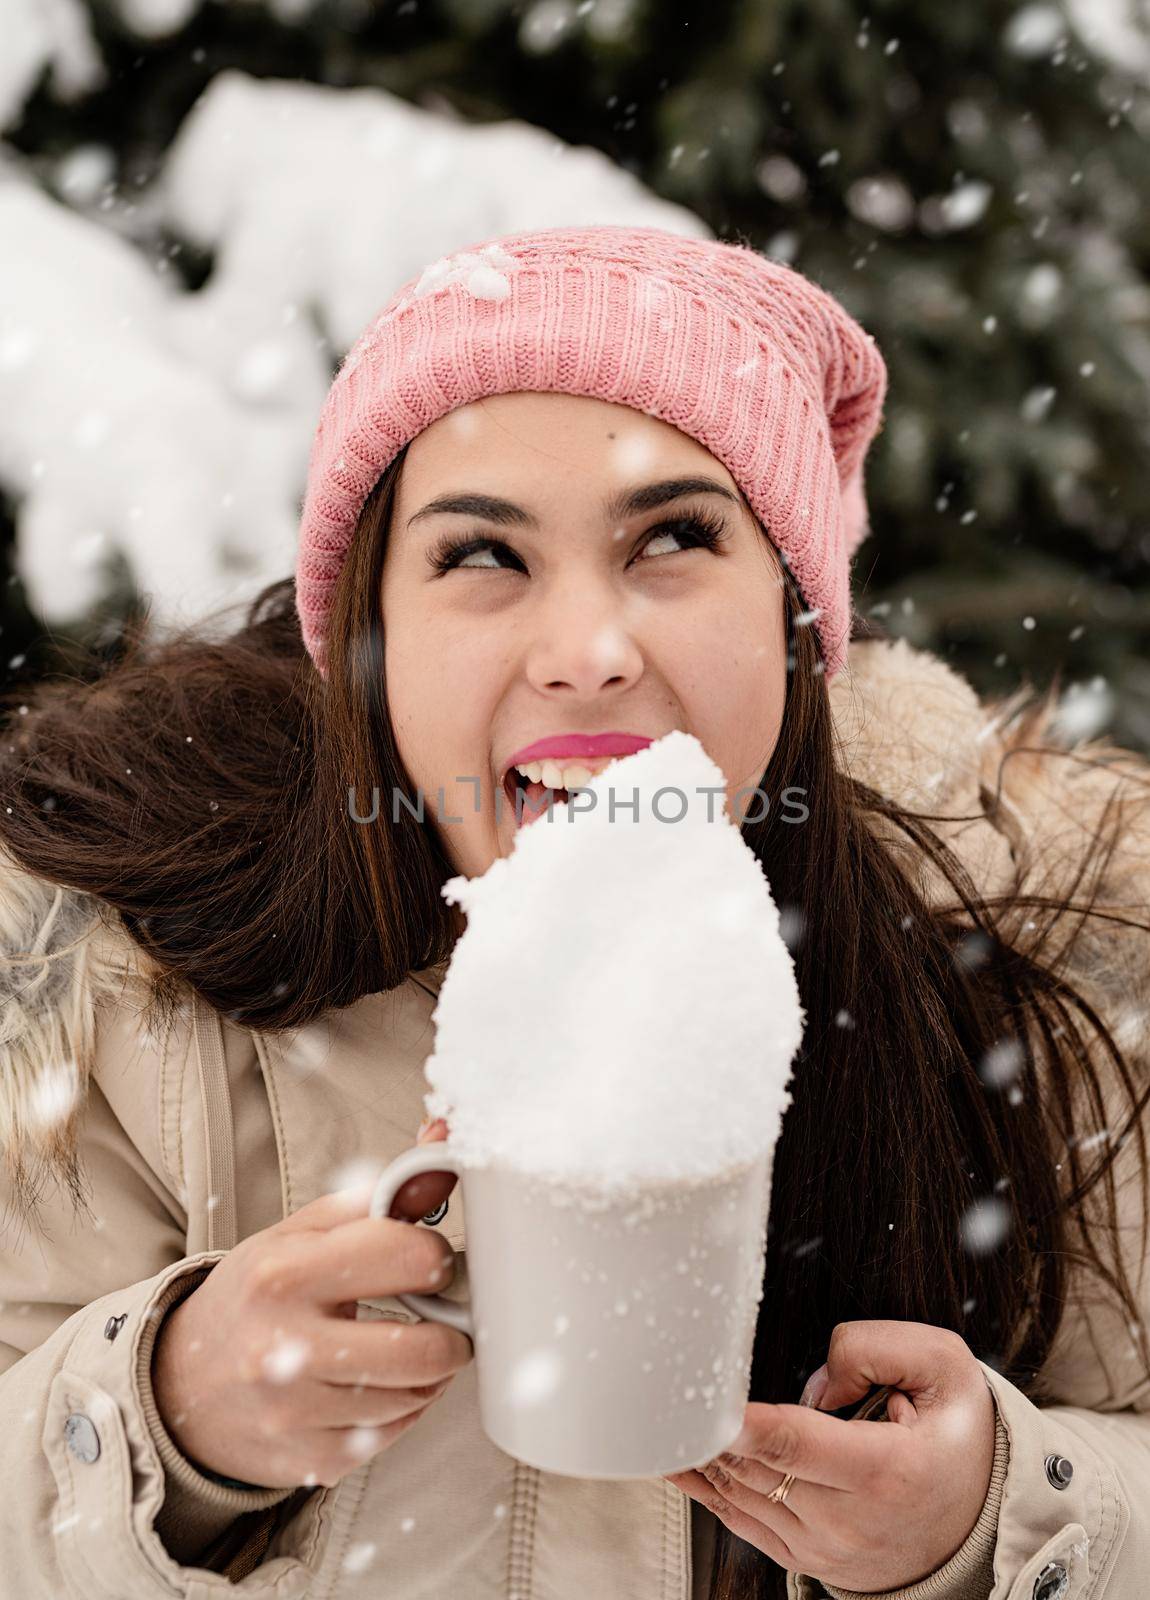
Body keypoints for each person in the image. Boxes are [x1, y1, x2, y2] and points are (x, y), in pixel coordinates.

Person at [0, 223, 1146, 1600]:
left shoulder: (1023, 989)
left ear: (789, 616)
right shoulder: (119, 992)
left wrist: (999, 1516)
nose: (590, 655)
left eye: (673, 536)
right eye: (482, 553)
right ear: (370, 639)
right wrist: (159, 1416)